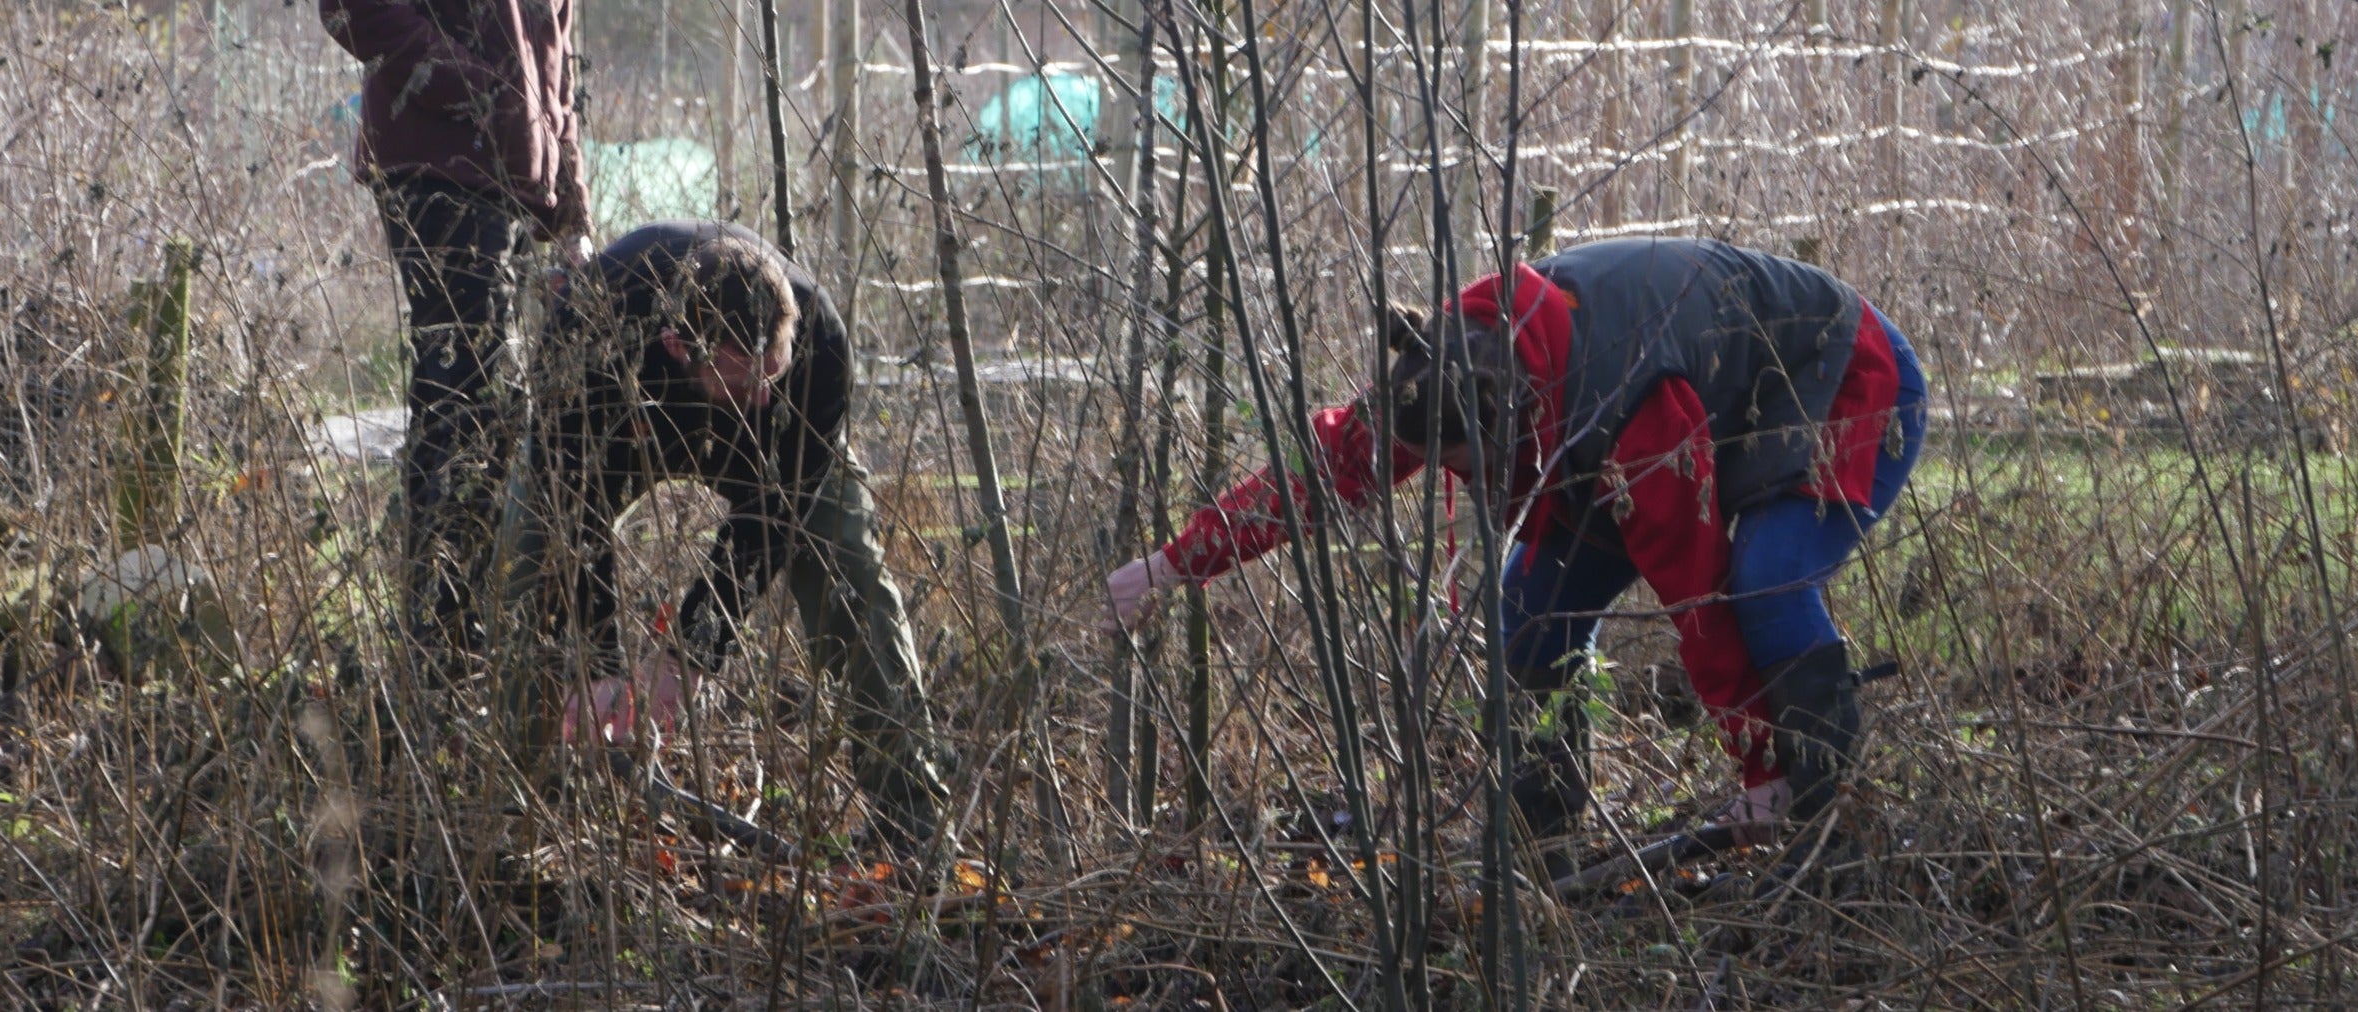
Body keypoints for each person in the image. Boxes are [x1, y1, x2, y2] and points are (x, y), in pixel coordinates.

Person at [1107, 237, 1927, 881]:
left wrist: (1758, 762)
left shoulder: (1631, 408)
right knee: (1532, 615)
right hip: (1674, 415)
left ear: (1515, 416)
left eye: (1472, 464)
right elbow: (1323, 473)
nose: (1464, 481)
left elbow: (1695, 590)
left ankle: (1830, 842)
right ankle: (1543, 862)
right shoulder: (1441, 366)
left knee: (1766, 580)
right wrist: (1173, 563)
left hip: (1841, 377)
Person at [321, 0, 603, 662]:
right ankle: (438, 653)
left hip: (523, 185)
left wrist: (571, 204)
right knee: (466, 393)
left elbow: (557, 47)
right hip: (435, 164)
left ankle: (487, 639)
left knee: (517, 409)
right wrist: (484, 95)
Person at [532, 221, 950, 857]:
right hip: (624, 429)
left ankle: (912, 817)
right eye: (741, 380)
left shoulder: (819, 344)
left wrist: (690, 652)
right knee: (526, 547)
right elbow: (570, 502)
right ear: (676, 345)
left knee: (851, 567)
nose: (760, 397)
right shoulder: (592, 325)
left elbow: (771, 520)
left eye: (770, 375)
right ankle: (525, 797)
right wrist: (590, 659)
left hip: (772, 470)